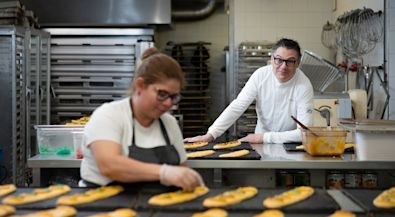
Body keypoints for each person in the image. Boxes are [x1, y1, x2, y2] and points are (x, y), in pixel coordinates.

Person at [80, 47, 204, 191]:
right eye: (162, 94)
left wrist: (189, 179)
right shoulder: (109, 115)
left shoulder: (169, 123)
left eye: (173, 97)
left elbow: (181, 170)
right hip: (103, 207)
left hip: (157, 207)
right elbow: (109, 166)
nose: (168, 103)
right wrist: (164, 172)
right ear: (140, 85)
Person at [185, 38, 314, 144]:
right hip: (261, 145)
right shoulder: (261, 75)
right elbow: (238, 106)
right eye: (279, 60)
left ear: (298, 63)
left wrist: (263, 137)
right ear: (272, 58)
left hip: (289, 144)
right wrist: (211, 134)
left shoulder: (304, 85)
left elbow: (304, 133)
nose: (283, 66)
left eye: (290, 61)